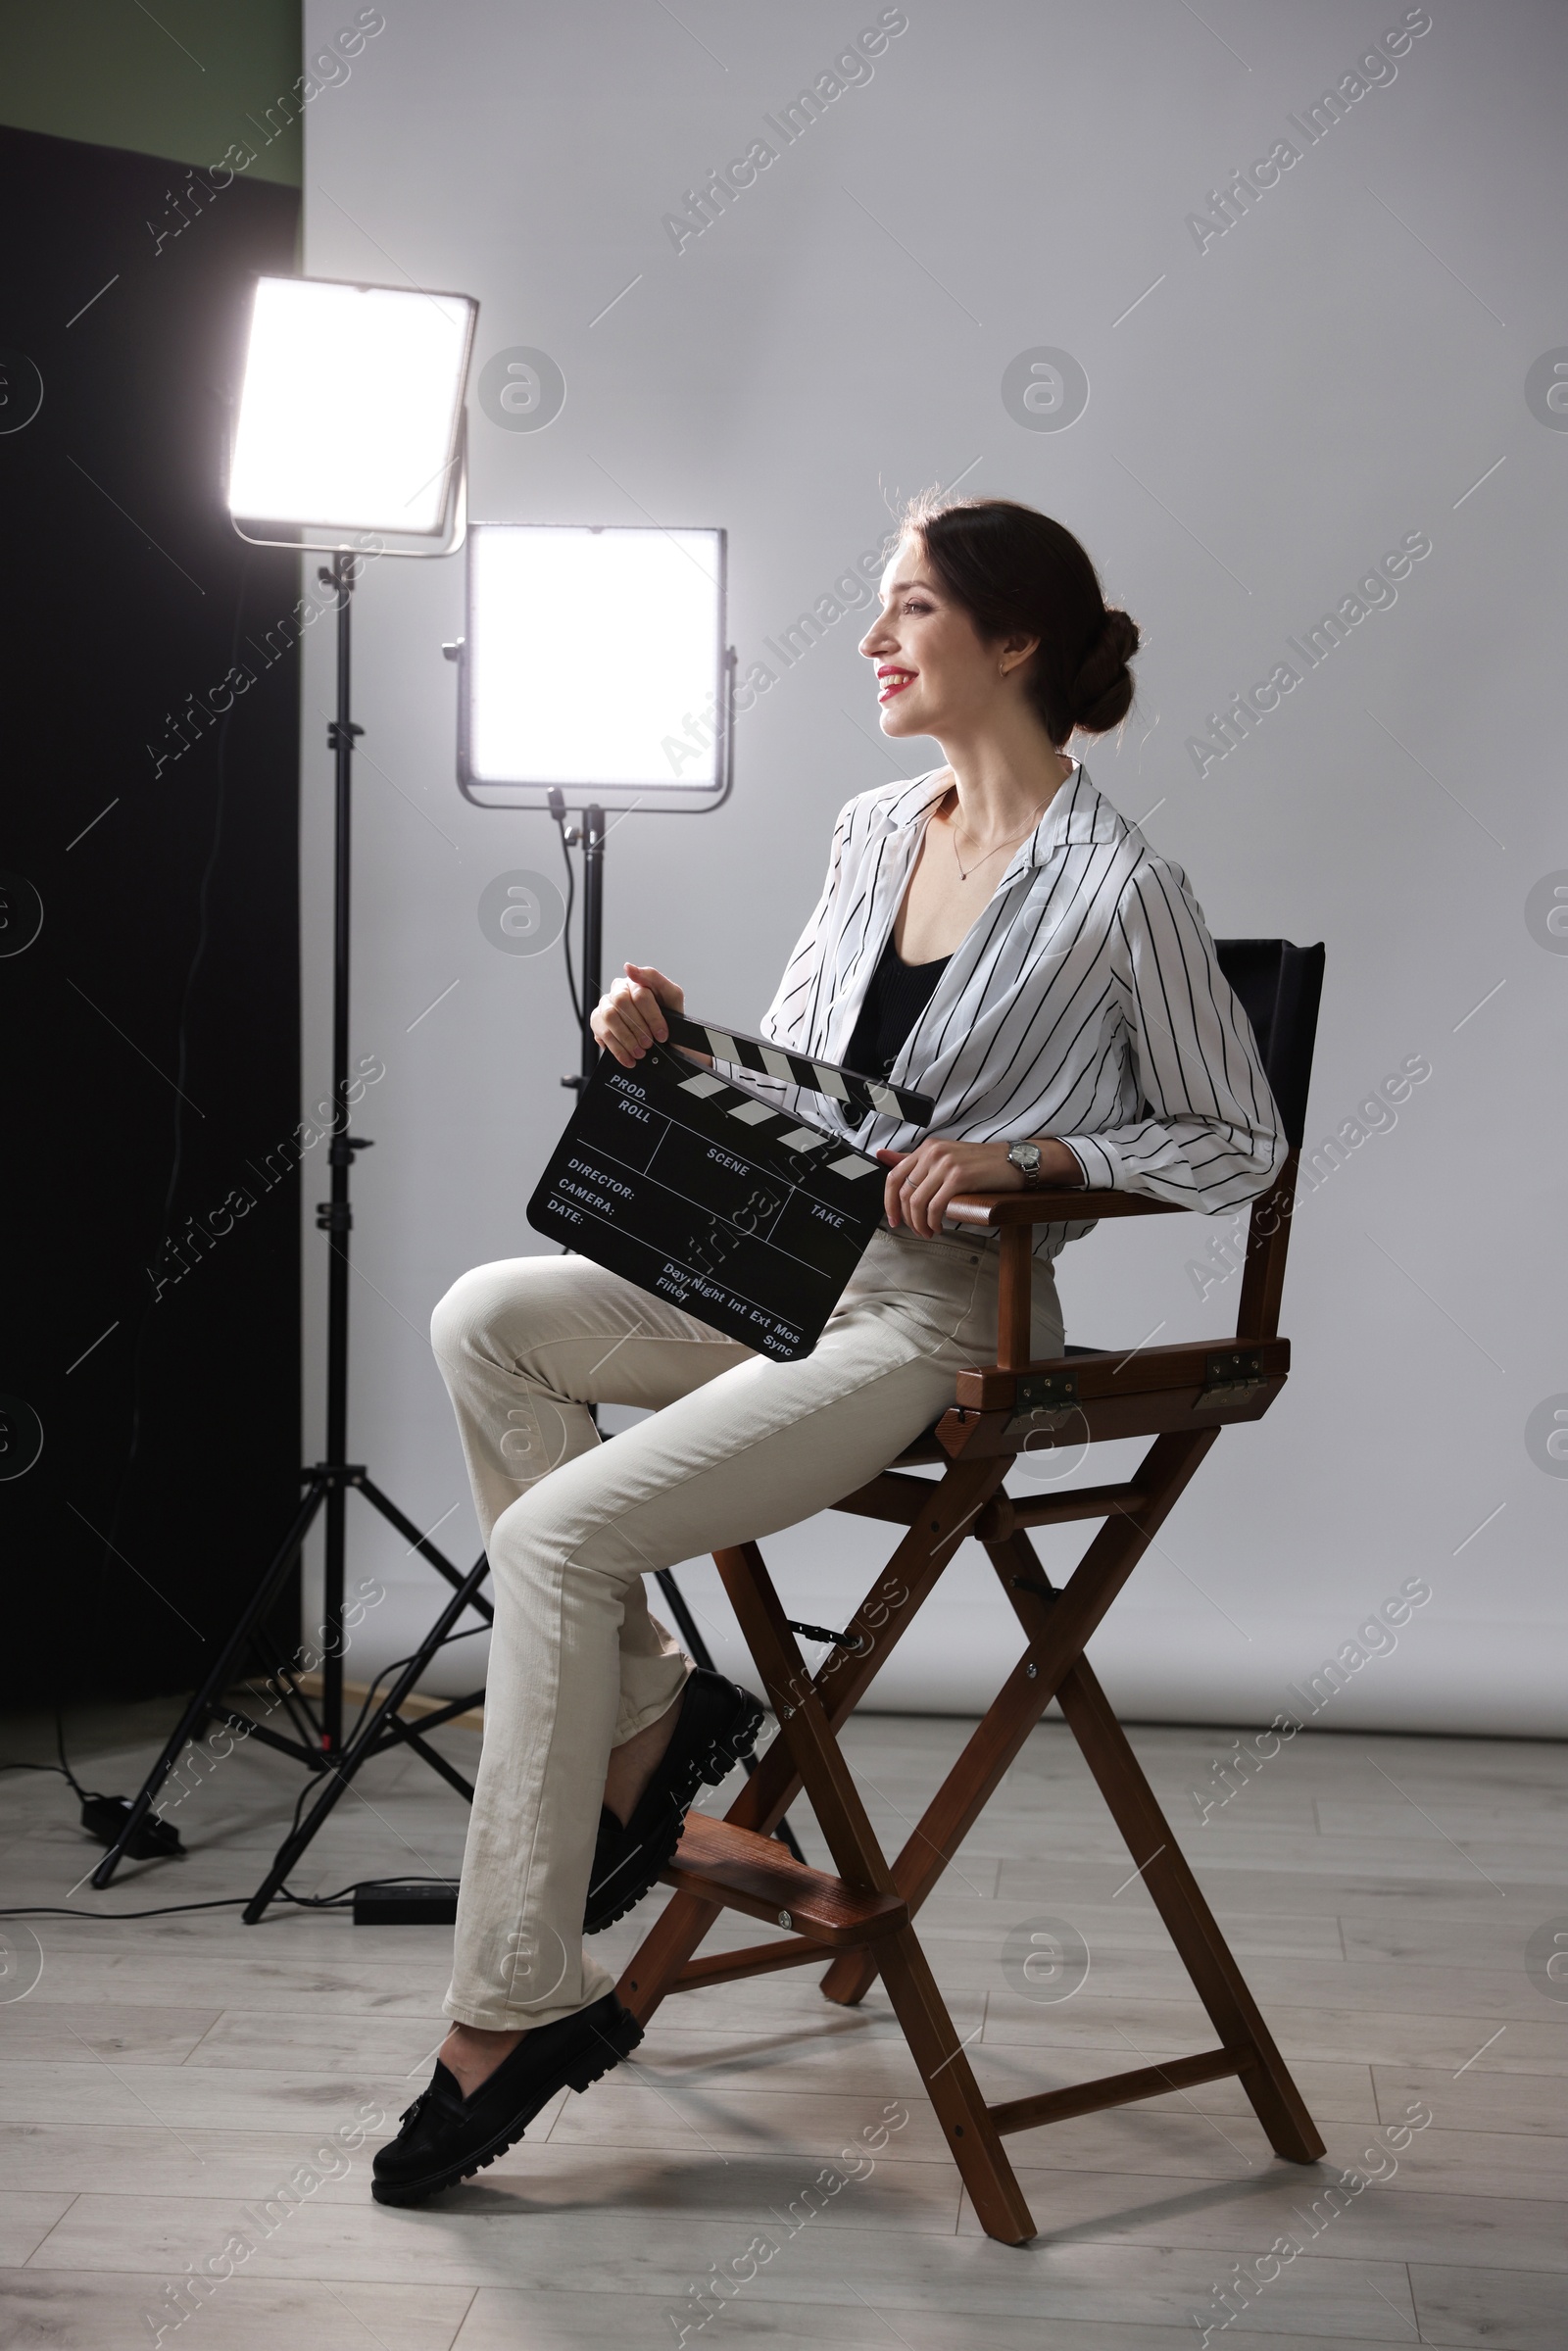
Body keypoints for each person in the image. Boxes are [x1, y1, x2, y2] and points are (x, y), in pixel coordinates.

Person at [371, 495, 1286, 2204]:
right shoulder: (875, 829)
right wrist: (662, 1040)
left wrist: (1041, 1160)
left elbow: (1238, 1137)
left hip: (936, 1320)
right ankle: (650, 1706)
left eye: (911, 607)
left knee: (562, 1536)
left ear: (1011, 645)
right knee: (486, 1317)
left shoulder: (1121, 887)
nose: (873, 638)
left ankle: (516, 2003)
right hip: (774, 1275)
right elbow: (804, 1091)